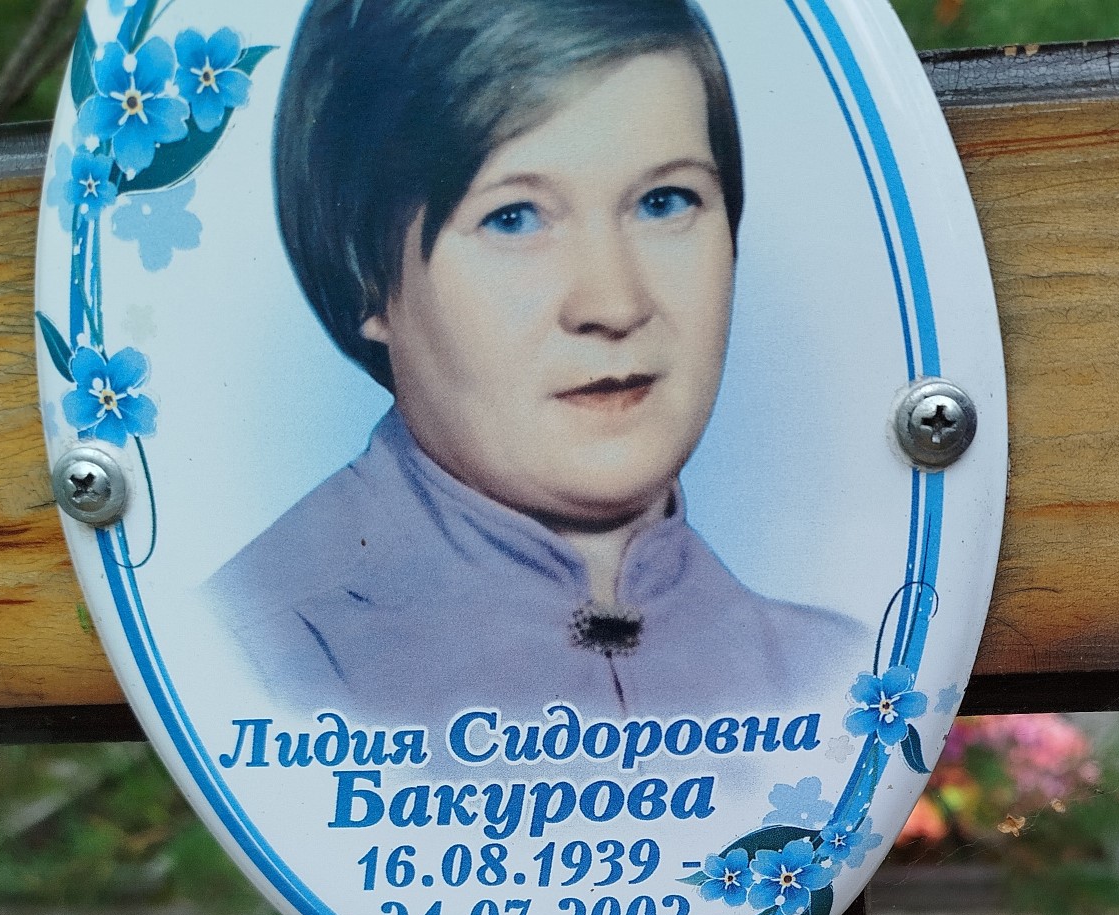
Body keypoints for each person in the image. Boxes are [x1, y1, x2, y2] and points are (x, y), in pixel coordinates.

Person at [208, 0, 868, 730]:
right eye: (513, 217)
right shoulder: (243, 659)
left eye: (664, 202)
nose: (615, 304)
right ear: (368, 275)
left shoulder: (835, 679)